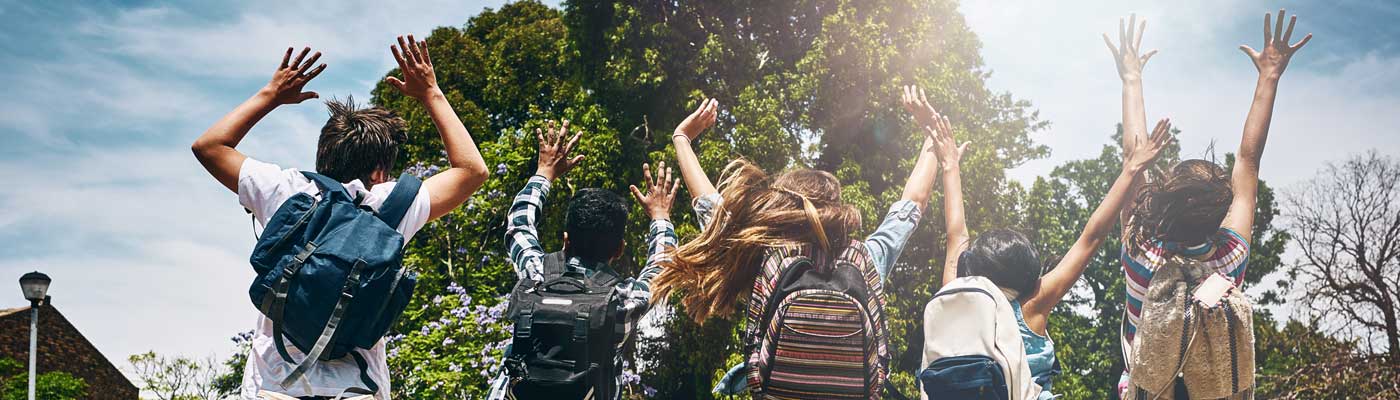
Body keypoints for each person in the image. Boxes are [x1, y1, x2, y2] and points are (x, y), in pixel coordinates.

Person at [191, 35, 489, 399]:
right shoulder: (390, 205)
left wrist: (272, 94)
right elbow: (472, 171)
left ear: (324, 156)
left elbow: (208, 147)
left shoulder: (287, 191)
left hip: (273, 389)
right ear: (380, 171)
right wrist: (431, 93)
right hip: (358, 390)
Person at [656, 88, 941, 397]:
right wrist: (932, 135)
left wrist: (682, 139)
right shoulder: (864, 259)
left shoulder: (762, 252)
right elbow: (913, 204)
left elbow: (708, 203)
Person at [928, 72, 1174, 398]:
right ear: (1029, 276)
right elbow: (1092, 236)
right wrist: (1131, 169)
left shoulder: (955, 294)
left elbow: (955, 235)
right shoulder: (1032, 304)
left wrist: (949, 167)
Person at [1107, 10, 1310, 398]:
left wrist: (1131, 79)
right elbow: (1249, 160)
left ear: (1162, 205)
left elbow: (1131, 159)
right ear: (1220, 211)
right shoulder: (1230, 259)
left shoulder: (1140, 255)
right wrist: (1269, 76)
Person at [487, 120, 680, 400]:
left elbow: (518, 225)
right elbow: (662, 266)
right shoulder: (623, 299)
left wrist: (544, 172)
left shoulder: (535, 274)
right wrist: (660, 215)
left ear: (566, 240)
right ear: (619, 249)